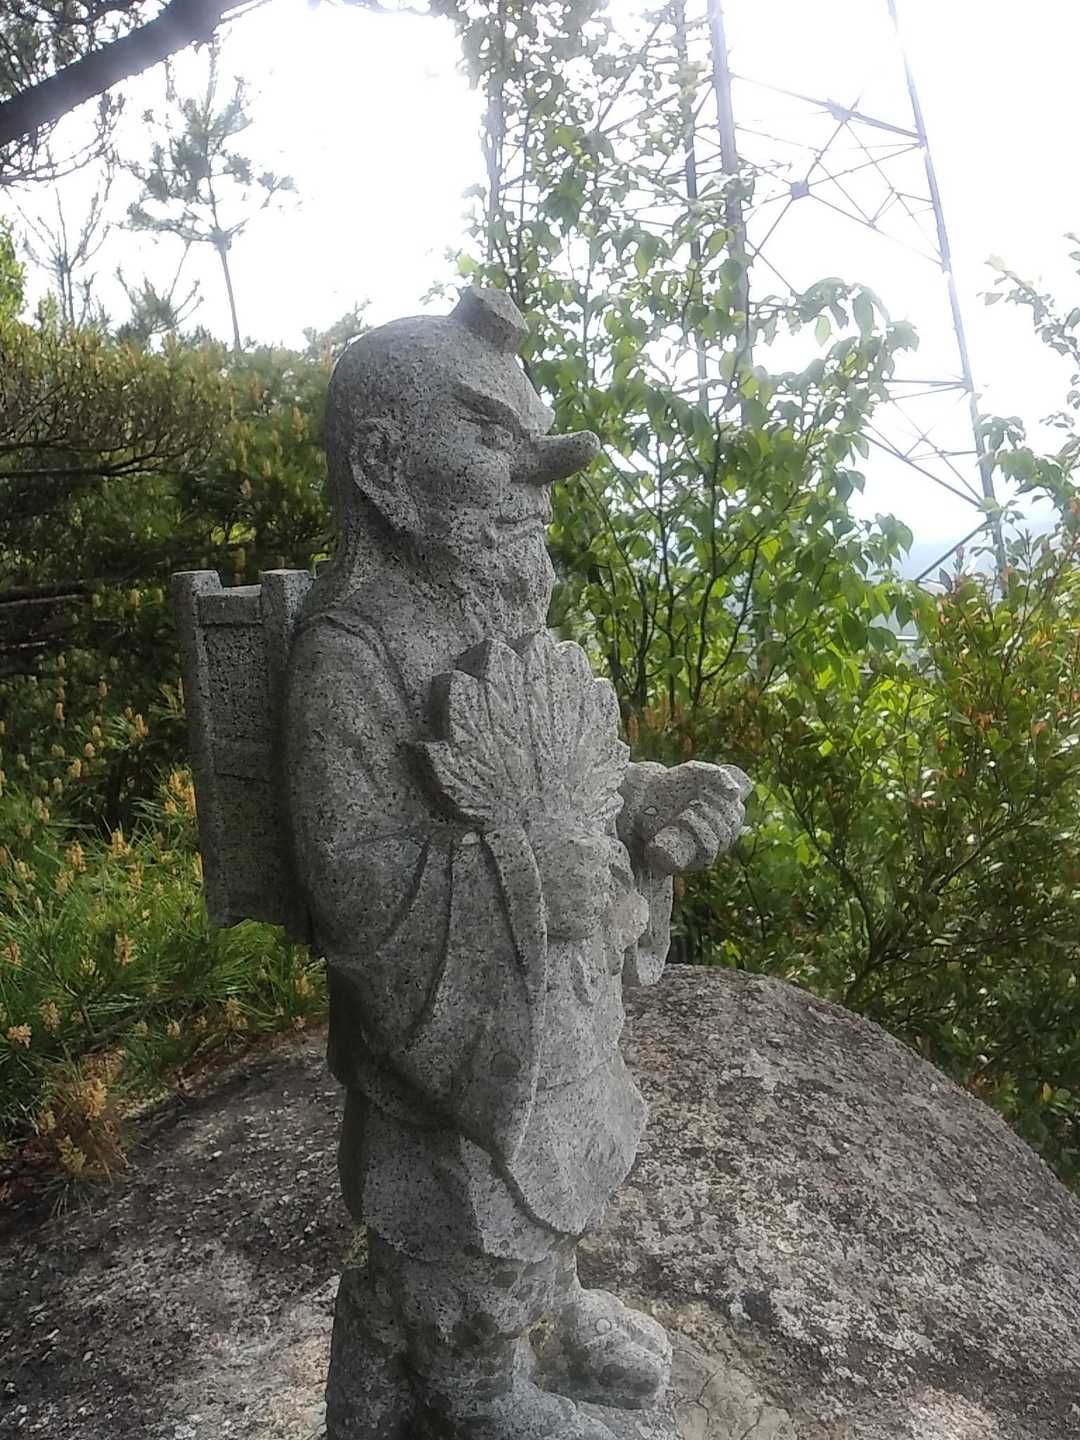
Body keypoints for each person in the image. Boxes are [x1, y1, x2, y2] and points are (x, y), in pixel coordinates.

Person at [285, 287, 747, 1440]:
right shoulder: (351, 654)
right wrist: (527, 879)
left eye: (533, 446)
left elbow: (563, 780)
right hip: (443, 1062)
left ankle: (547, 1303)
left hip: (551, 1012)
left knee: (548, 1170)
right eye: (495, 442)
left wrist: (645, 802)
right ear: (384, 466)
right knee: (463, 1212)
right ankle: (479, 1390)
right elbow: (356, 883)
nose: (536, 482)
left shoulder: (494, 618)